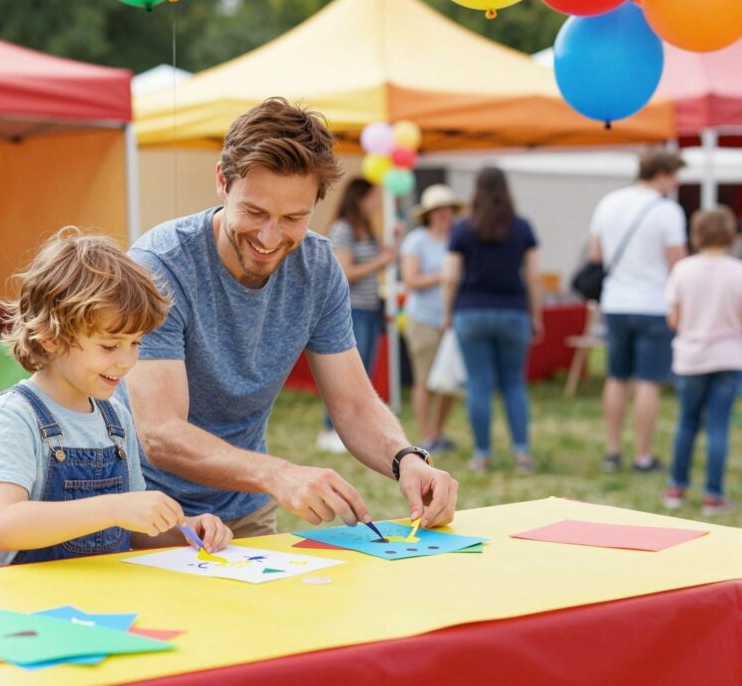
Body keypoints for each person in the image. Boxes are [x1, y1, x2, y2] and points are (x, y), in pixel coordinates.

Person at [121, 98, 458, 537]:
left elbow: (354, 405)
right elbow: (161, 433)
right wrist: (279, 475)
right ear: (223, 182)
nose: (269, 236)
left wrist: (406, 459)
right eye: (255, 212)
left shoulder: (318, 266)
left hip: (246, 507)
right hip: (145, 510)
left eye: (293, 217)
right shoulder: (160, 266)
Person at [0, 228, 232, 567]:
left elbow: (134, 529)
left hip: (104, 605)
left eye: (135, 343)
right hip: (29, 607)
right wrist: (113, 508)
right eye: (109, 346)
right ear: (51, 337)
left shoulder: (115, 418)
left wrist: (187, 530)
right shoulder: (14, 416)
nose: (127, 361)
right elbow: (4, 525)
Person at [587, 151, 687, 473]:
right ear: (660, 173)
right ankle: (643, 455)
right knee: (649, 381)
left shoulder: (609, 201)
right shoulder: (668, 211)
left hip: (615, 302)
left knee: (616, 377)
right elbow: (678, 262)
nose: (676, 182)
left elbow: (595, 253)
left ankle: (612, 450)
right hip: (653, 303)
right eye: (674, 174)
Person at [442, 167, 542, 473]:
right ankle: (522, 453)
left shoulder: (462, 228)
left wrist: (448, 313)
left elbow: (450, 277)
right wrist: (536, 315)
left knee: (478, 385)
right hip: (513, 312)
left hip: (471, 312)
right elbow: (534, 277)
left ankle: (482, 455)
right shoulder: (522, 227)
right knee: (514, 384)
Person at [662, 207, 742, 516]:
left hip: (690, 357)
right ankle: (713, 495)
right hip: (729, 357)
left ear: (695, 235)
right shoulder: (737, 271)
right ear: (731, 234)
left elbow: (674, 318)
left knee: (686, 422)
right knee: (718, 425)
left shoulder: (683, 269)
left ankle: (676, 487)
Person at [319, 179, 399, 453]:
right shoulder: (343, 229)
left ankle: (352, 431)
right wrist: (381, 261)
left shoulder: (367, 230)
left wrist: (392, 244)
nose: (375, 203)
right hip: (351, 310)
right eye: (372, 198)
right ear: (359, 198)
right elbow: (346, 271)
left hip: (370, 307)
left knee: (364, 373)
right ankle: (329, 429)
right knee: (346, 374)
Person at [401, 184, 463, 454]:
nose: (444, 214)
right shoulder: (416, 241)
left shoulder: (458, 239)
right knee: (424, 380)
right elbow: (411, 280)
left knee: (449, 380)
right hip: (423, 319)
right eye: (438, 210)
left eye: (448, 209)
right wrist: (444, 276)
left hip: (452, 320)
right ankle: (426, 436)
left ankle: (438, 432)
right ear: (428, 214)